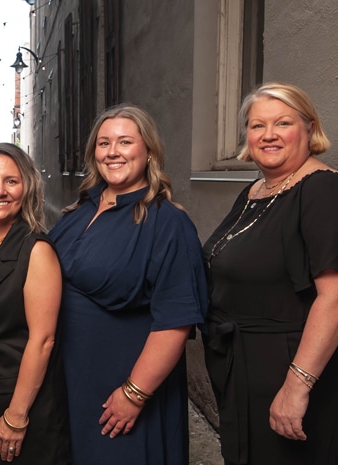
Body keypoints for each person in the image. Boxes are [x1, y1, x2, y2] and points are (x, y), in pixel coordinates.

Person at [203, 82, 338, 465]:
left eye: (282, 123)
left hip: (301, 373)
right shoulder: (256, 192)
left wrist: (297, 386)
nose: (268, 135)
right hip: (249, 369)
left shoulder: (329, 192)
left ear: (310, 129)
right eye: (256, 125)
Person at [48, 104, 207, 465]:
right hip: (71, 380)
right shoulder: (79, 210)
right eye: (104, 143)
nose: (113, 152)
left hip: (121, 384)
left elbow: (176, 320)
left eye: (124, 142)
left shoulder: (168, 223)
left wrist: (134, 394)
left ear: (148, 150)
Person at [0, 143, 70, 464]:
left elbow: (43, 340)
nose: (0, 191)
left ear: (26, 187)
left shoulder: (36, 250)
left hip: (18, 410)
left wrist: (16, 416)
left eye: (11, 181)